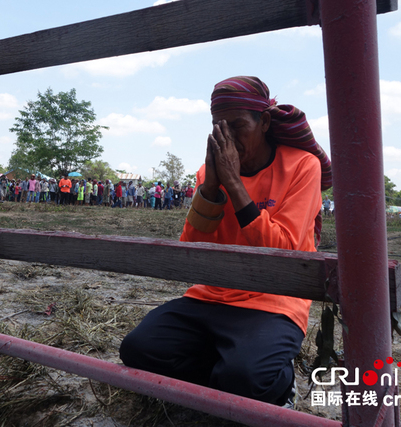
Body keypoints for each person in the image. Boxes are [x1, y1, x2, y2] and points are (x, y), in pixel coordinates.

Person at [120, 76, 331, 407]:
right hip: (211, 294)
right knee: (138, 350)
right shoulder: (207, 174)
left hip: (273, 302)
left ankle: (278, 383)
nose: (228, 137)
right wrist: (210, 189)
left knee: (245, 378)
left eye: (237, 125)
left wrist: (234, 185)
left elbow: (284, 253)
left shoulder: (302, 166)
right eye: (220, 127)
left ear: (263, 122)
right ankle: (226, 374)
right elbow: (191, 248)